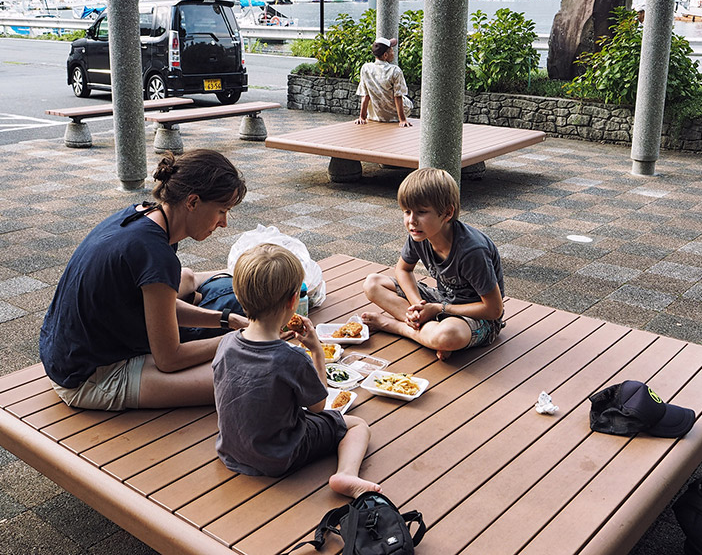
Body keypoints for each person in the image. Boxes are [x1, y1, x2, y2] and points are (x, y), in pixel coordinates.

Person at [39, 149, 249, 411]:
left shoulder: (144, 214)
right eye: (221, 210)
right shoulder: (156, 252)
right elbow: (169, 359)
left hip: (68, 355)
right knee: (244, 379)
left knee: (235, 357)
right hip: (89, 378)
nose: (224, 223)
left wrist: (226, 321)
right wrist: (239, 337)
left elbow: (159, 308)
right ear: (192, 202)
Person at [213, 244, 380, 498]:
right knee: (357, 426)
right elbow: (320, 406)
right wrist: (316, 352)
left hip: (232, 451)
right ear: (293, 300)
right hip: (279, 456)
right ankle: (347, 474)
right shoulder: (291, 357)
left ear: (239, 295)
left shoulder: (226, 343)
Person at [361, 167, 505, 360]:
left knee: (447, 336)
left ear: (447, 213)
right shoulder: (419, 235)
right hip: (441, 301)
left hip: (477, 317)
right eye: (407, 211)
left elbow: (494, 310)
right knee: (372, 283)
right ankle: (427, 332)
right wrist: (417, 306)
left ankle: (397, 326)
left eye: (421, 212)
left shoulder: (472, 251)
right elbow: (402, 270)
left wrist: (438, 309)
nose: (412, 221)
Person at [355, 36, 413, 128]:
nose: (393, 53)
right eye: (392, 51)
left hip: (375, 116)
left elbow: (365, 95)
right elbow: (397, 96)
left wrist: (362, 117)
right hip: (393, 116)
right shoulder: (395, 70)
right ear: (385, 55)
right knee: (407, 98)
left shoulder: (366, 68)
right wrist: (402, 120)